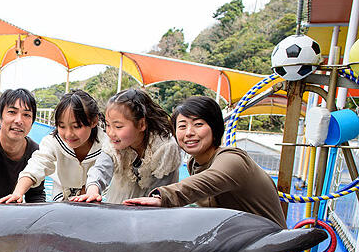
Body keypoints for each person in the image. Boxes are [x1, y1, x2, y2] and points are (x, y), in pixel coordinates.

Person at [122, 95, 287, 229]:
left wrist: (163, 196)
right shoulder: (194, 164)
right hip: (233, 239)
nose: (189, 133)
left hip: (264, 249)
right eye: (182, 126)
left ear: (215, 128)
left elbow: (208, 180)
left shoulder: (232, 159)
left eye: (198, 124)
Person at [71, 88, 181, 204]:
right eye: (108, 125)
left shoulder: (165, 149)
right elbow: (100, 169)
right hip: (119, 200)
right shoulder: (114, 143)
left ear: (141, 124)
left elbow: (160, 192)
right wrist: (93, 191)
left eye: (118, 126)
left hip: (153, 207)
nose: (111, 133)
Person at [0, 90, 106, 203]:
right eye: (62, 126)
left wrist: (90, 190)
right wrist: (18, 193)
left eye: (76, 126)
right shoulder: (53, 141)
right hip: (62, 197)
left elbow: (102, 170)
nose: (69, 134)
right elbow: (37, 164)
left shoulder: (106, 145)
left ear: (93, 121)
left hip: (94, 196)